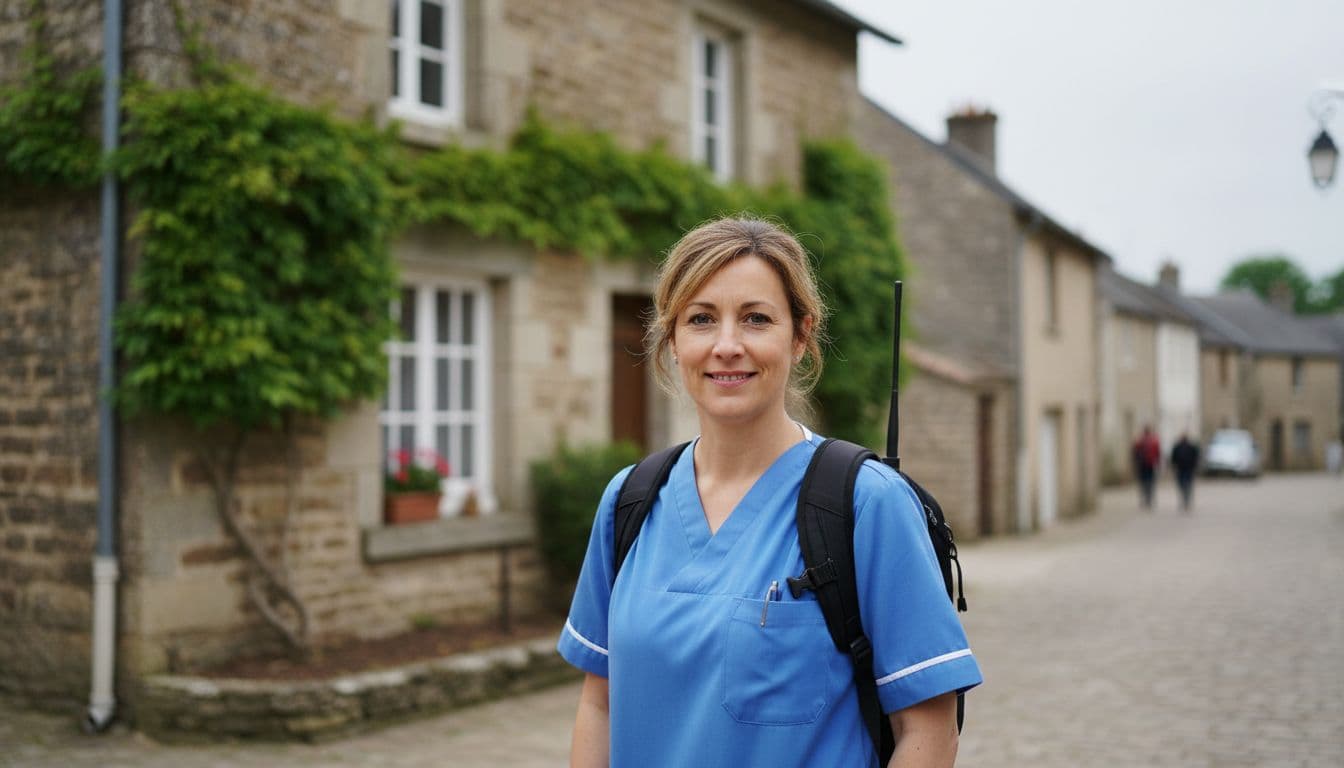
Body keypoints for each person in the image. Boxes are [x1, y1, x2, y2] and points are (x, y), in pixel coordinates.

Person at [559, 217, 981, 768]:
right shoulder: (629, 502)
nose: (727, 345)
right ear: (673, 340)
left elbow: (929, 727)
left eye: (756, 319)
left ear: (801, 336)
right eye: (702, 319)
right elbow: (600, 705)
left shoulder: (866, 504)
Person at [1131, 425, 1161, 510]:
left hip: (1142, 465)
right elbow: (1158, 454)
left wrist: (1136, 463)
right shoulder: (1154, 441)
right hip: (1150, 465)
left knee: (1142, 483)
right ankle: (1149, 499)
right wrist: (1157, 463)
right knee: (1150, 483)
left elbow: (1134, 453)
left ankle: (1144, 499)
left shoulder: (1139, 441)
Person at [1169, 433, 1200, 512]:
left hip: (1182, 469)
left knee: (1183, 486)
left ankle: (1185, 501)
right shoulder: (1191, 446)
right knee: (1187, 486)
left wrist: (1173, 466)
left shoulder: (1178, 447)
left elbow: (1173, 458)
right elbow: (1196, 457)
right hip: (1187, 469)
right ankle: (1186, 501)